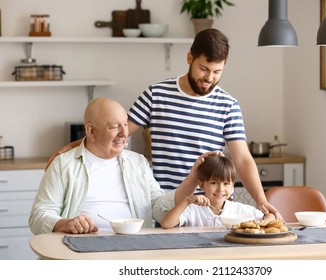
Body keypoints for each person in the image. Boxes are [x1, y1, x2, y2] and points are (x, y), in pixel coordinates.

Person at [45, 28, 281, 220]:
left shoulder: (228, 104)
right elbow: (118, 132)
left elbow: (242, 159)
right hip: (166, 209)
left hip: (209, 210)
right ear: (190, 58)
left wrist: (261, 200)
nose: (209, 78)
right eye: (204, 69)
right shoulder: (157, 94)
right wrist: (74, 146)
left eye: (217, 71)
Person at [29, 98, 216, 234]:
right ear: (91, 131)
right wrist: (64, 224)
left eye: (125, 125)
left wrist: (193, 177)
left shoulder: (138, 163)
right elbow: (38, 217)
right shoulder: (64, 164)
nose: (123, 133)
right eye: (114, 127)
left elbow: (159, 209)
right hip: (79, 250)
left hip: (132, 252)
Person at [160, 155, 275, 228]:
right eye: (214, 183)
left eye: (226, 184)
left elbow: (269, 216)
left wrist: (263, 223)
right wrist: (186, 201)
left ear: (232, 186)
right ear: (201, 184)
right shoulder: (192, 209)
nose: (220, 189)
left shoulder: (238, 209)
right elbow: (166, 223)